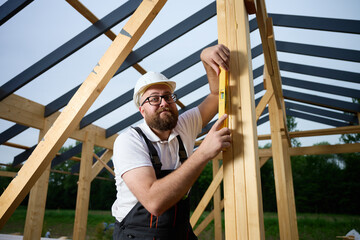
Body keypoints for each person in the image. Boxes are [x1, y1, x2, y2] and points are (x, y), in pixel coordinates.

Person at [112, 44, 231, 240]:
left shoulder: (184, 125)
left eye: (168, 96)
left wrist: (204, 57)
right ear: (142, 110)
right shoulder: (129, 141)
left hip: (179, 232)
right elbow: (154, 202)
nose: (164, 102)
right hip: (138, 235)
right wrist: (203, 153)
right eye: (154, 99)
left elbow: (217, 95)